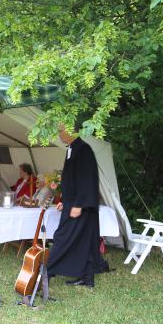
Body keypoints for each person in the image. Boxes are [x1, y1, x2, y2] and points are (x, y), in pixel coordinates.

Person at [46, 123, 100, 288]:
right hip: (73, 203)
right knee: (85, 241)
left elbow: (86, 179)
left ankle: (46, 272)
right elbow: (72, 180)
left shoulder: (83, 150)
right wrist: (64, 200)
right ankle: (87, 278)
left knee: (62, 237)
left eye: (61, 131)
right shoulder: (72, 149)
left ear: (71, 131)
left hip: (80, 206)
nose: (59, 134)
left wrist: (78, 205)